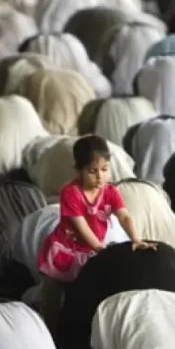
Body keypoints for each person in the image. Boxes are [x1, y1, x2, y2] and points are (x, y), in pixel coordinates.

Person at [37, 135, 155, 330]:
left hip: (90, 251)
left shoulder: (110, 191)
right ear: (78, 171)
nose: (100, 176)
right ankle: (49, 332)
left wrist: (136, 239)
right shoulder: (70, 192)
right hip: (64, 252)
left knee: (83, 298)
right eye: (92, 171)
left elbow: (125, 216)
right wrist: (101, 250)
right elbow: (81, 227)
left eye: (104, 170)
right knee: (52, 299)